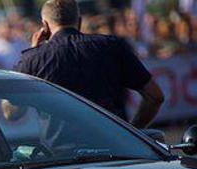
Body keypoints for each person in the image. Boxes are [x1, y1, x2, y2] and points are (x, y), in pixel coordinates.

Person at [15, 0, 164, 128]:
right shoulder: (112, 46)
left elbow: (12, 112)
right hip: (115, 146)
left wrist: (33, 51)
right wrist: (132, 133)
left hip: (62, 154)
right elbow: (155, 96)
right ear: (79, 22)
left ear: (45, 27)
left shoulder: (33, 58)